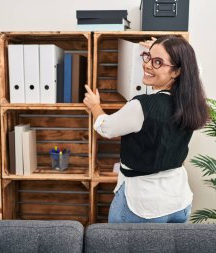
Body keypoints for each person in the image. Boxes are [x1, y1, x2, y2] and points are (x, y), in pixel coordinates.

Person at [83, 35, 208, 223]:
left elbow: (106, 128)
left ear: (176, 72)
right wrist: (163, 53)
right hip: (178, 201)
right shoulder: (191, 103)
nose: (147, 65)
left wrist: (94, 106)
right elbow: (193, 70)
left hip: (144, 205)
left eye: (157, 62)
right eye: (147, 57)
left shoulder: (142, 106)